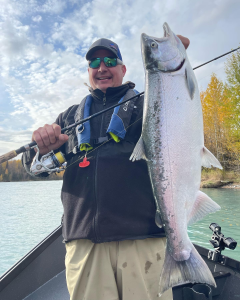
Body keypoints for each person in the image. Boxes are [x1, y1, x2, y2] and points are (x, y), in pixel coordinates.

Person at [23, 35, 190, 300]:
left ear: (123, 69)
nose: (102, 67)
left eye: (110, 61)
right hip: (84, 243)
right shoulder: (68, 118)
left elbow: (181, 109)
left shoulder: (150, 106)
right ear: (89, 71)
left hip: (144, 238)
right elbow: (33, 169)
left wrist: (174, 65)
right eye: (95, 62)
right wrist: (41, 149)